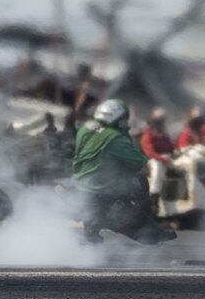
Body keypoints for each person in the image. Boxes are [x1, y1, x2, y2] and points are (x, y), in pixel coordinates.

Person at [70, 98, 173, 244]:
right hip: (104, 187)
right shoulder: (116, 139)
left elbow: (98, 136)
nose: (125, 122)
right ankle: (147, 227)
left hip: (81, 184)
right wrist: (124, 135)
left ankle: (93, 225)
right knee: (140, 180)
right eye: (123, 119)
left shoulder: (85, 128)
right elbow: (139, 161)